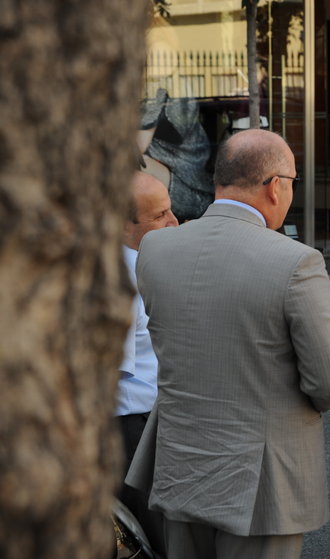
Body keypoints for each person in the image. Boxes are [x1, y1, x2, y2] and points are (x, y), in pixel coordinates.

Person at [128, 129, 330, 559]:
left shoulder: (155, 248)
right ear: (275, 186)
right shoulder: (296, 262)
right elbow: (329, 383)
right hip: (259, 483)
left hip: (179, 466)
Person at [117, 170, 177, 553]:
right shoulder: (118, 283)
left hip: (146, 424)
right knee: (156, 541)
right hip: (128, 432)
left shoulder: (142, 266)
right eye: (159, 215)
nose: (174, 222)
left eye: (170, 209)